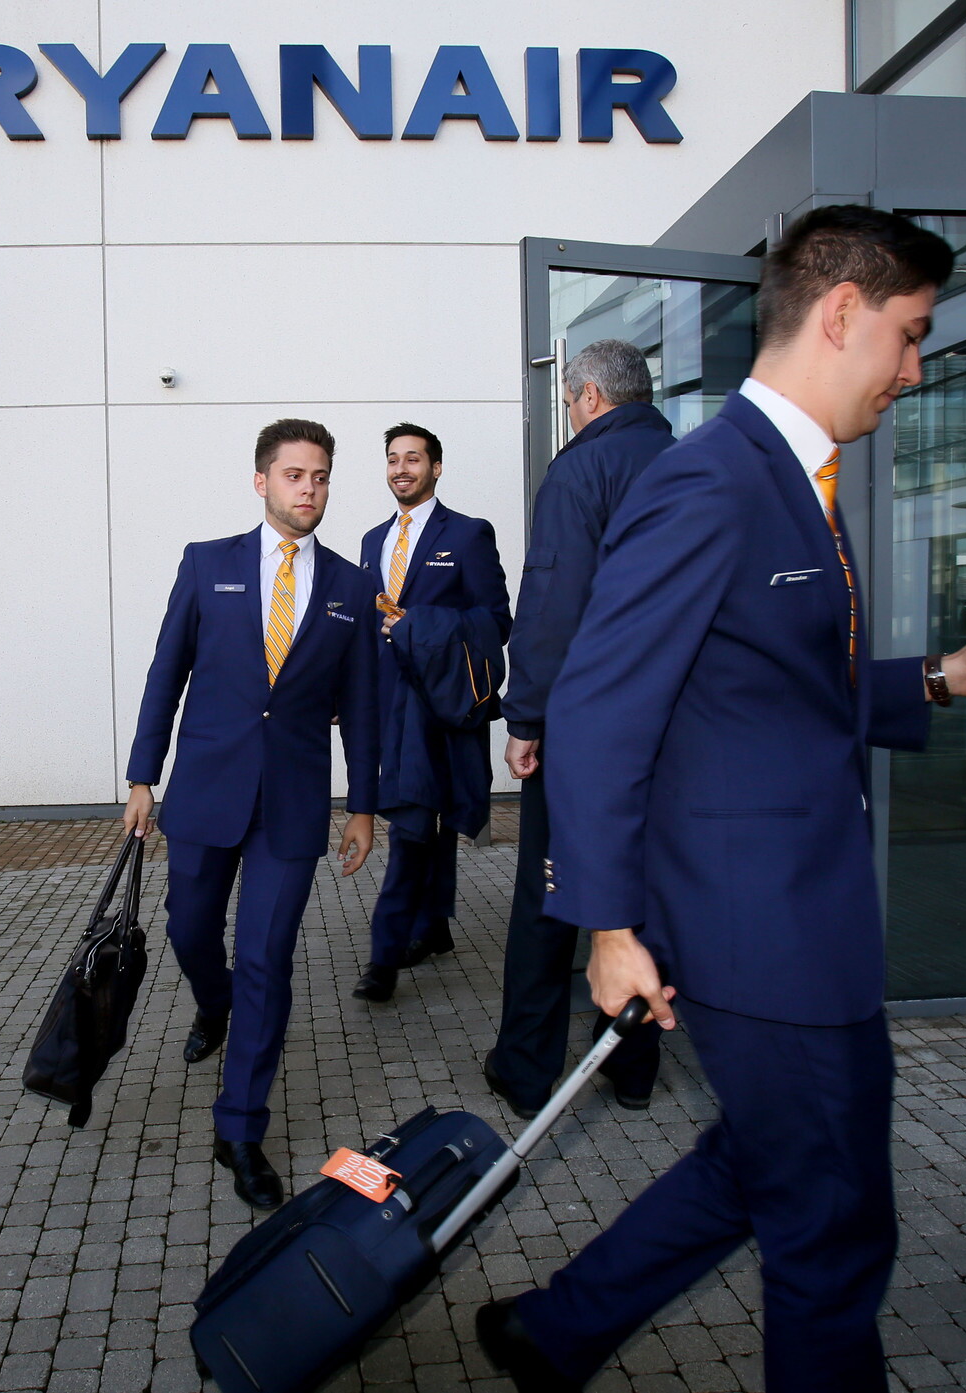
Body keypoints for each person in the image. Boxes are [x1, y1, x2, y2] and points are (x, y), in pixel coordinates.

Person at [473, 206, 966, 1390]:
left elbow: (775, 688)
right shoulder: (710, 481)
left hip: (800, 917)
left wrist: (940, 677)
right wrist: (607, 928)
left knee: (768, 1162)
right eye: (910, 334)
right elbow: (597, 708)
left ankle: (555, 1329)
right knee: (833, 1225)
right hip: (758, 931)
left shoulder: (795, 480)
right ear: (842, 311)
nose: (914, 368)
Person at [122, 418, 379, 1212]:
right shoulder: (207, 564)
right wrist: (142, 776)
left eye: (321, 476)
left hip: (291, 804)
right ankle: (213, 1000)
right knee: (187, 929)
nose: (310, 488)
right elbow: (166, 671)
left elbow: (363, 704)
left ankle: (239, 1126)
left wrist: (363, 805)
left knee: (267, 957)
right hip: (205, 788)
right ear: (262, 480)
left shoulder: (349, 585)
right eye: (295, 474)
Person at [482, 339, 670, 1118]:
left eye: (566, 401)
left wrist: (524, 717)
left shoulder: (581, 469)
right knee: (642, 890)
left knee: (548, 890)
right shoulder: (690, 465)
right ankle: (631, 1068)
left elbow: (552, 606)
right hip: (672, 728)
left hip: (587, 728)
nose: (569, 412)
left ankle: (525, 1071)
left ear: (589, 396)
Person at [352, 424, 510, 1003]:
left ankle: (384, 956)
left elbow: (497, 621)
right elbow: (365, 628)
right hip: (389, 705)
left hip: (439, 705)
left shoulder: (468, 534)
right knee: (429, 815)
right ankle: (435, 924)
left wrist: (417, 625)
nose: (401, 469)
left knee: (414, 823)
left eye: (413, 459)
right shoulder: (372, 540)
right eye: (393, 459)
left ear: (435, 468)